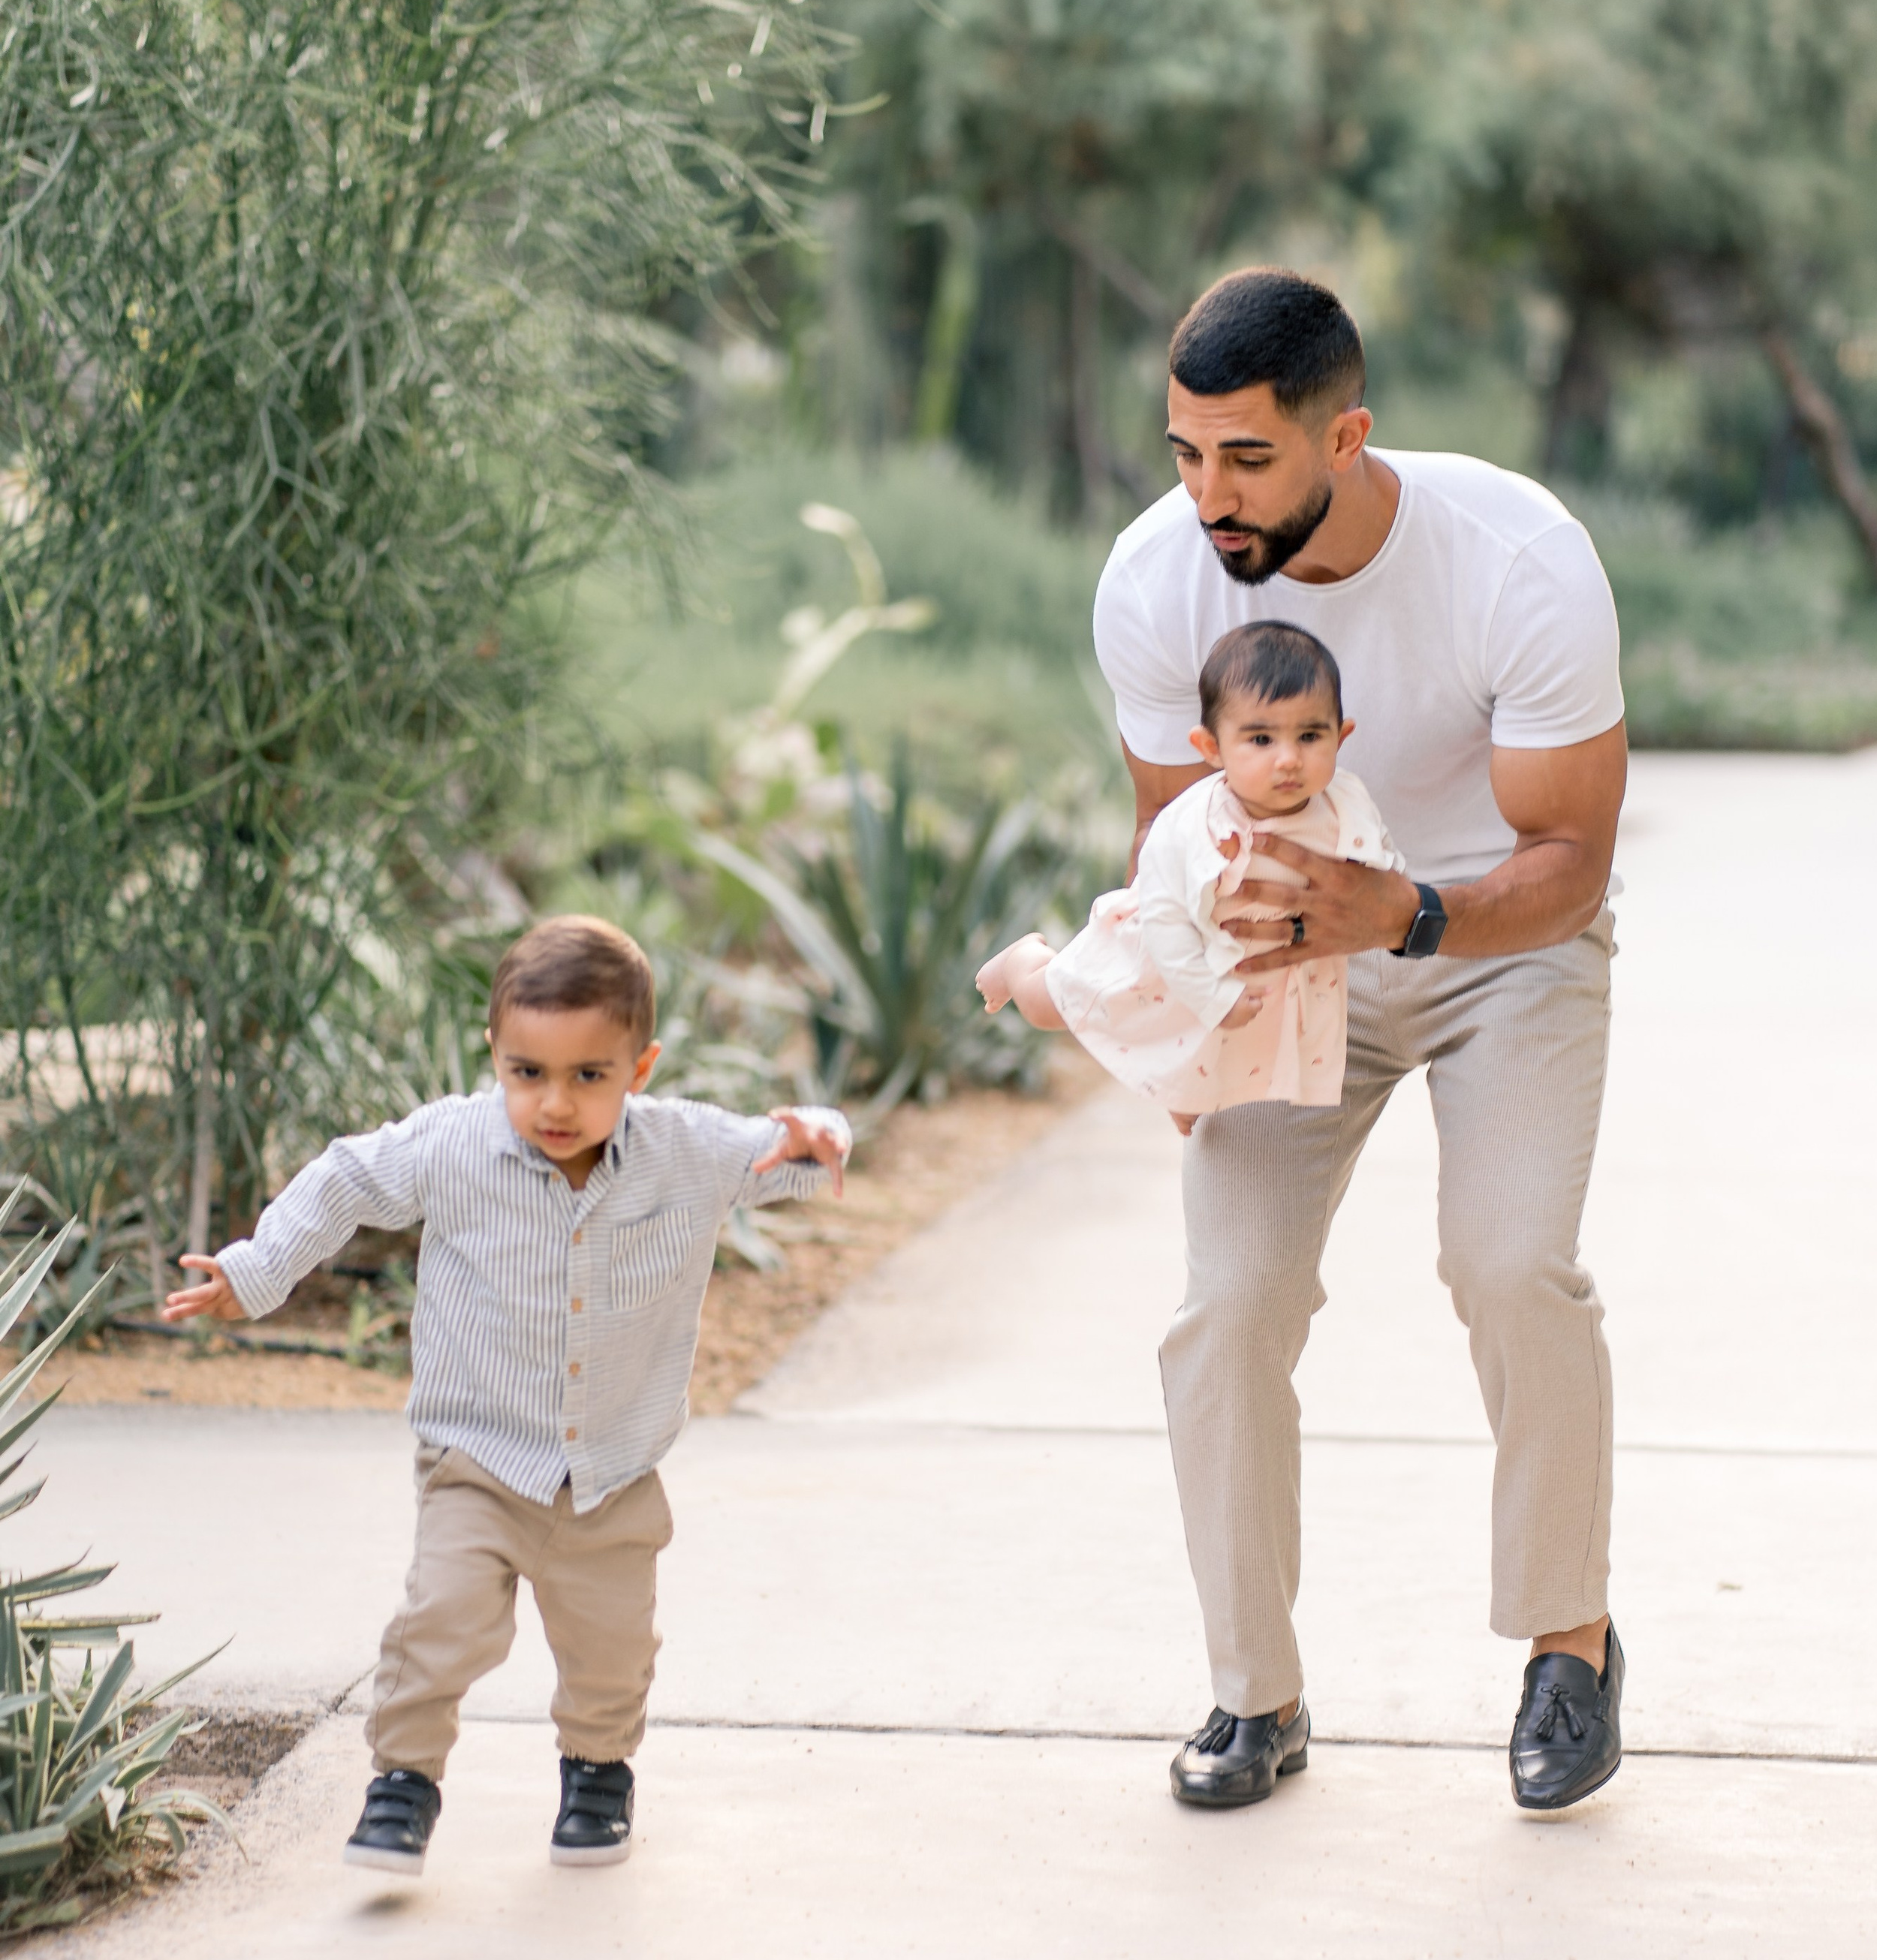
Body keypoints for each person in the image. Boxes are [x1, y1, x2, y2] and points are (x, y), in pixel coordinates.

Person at [1092, 266, 1628, 1816]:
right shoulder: (1152, 578)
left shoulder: (1513, 560)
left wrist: (1390, 914)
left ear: (1347, 434)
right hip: (1276, 961)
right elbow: (1165, 837)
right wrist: (1182, 1019)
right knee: (1226, 1306)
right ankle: (1252, 1699)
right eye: (1185, 453)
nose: (1207, 497)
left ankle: (1567, 1648)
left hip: (1493, 945)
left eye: (1245, 459)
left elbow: (1566, 863)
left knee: (1507, 1263)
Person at [164, 915, 851, 1880]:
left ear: (639, 1068)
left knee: (612, 1650)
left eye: (588, 1076)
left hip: (611, 1472)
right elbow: (344, 1179)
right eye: (527, 1072)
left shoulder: (681, 1151)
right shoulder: (452, 1145)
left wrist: (819, 1139)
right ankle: (403, 1782)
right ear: (495, 1054)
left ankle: (597, 1772)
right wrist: (255, 1271)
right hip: (476, 1461)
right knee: (440, 1623)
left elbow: (788, 1159)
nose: (554, 1103)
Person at [978, 621, 1401, 1115]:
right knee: (1051, 1008)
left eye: (1310, 735)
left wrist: (1386, 888)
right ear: (1210, 749)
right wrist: (1210, 998)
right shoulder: (1194, 824)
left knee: (1241, 1042)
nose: (1288, 759)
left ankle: (1189, 1093)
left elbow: (1380, 861)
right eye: (1261, 739)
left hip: (1256, 955)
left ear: (1342, 736)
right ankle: (1023, 963)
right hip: (1165, 948)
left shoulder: (1344, 801)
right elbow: (1166, 924)